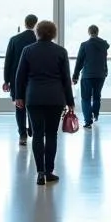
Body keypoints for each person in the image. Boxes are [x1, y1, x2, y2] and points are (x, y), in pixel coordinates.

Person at [14, 20, 74, 186]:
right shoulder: (61, 51)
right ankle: (49, 171)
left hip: (34, 98)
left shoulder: (28, 50)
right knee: (52, 134)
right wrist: (70, 101)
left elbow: (20, 76)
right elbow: (66, 79)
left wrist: (19, 96)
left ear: (37, 33)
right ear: (53, 33)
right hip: (55, 98)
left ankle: (40, 173)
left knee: (38, 134)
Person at [3, 14, 38, 145]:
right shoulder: (38, 39)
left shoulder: (14, 39)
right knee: (33, 107)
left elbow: (8, 61)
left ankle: (22, 134)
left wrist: (6, 80)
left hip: (16, 79)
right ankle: (33, 130)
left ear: (25, 23)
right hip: (34, 79)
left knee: (20, 107)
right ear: (36, 23)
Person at [72, 24, 110, 129]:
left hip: (87, 75)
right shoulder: (104, 44)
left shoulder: (84, 45)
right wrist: (105, 70)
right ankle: (96, 114)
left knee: (86, 98)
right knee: (97, 96)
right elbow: (104, 59)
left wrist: (75, 76)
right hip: (100, 74)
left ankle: (88, 121)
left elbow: (79, 61)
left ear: (89, 32)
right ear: (97, 32)